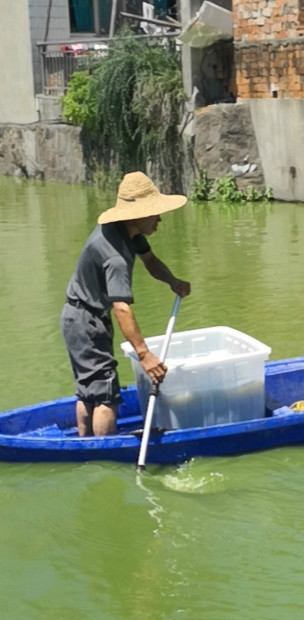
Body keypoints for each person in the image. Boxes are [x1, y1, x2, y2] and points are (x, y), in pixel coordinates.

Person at [60, 171, 191, 437]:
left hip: (77, 317)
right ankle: (104, 455)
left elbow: (151, 262)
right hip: (86, 321)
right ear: (138, 214)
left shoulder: (125, 231)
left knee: (89, 390)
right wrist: (145, 355)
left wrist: (172, 281)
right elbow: (121, 308)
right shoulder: (115, 256)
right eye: (154, 214)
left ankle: (85, 446)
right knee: (106, 394)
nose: (159, 219)